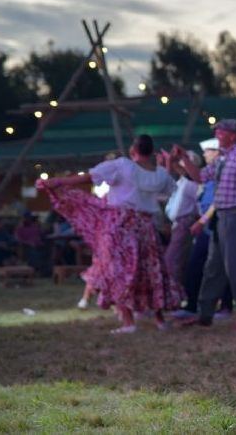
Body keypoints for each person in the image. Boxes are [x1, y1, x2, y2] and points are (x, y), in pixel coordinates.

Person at [38, 134, 181, 333]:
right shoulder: (159, 175)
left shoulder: (123, 165)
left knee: (116, 270)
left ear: (133, 151)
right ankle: (159, 321)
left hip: (121, 224)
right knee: (150, 270)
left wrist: (59, 181)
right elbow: (167, 187)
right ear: (151, 152)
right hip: (146, 227)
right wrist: (167, 163)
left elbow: (88, 177)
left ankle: (129, 322)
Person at [175, 119, 236, 329]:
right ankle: (205, 313)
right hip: (223, 216)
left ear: (233, 135)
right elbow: (200, 177)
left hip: (235, 215)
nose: (218, 136)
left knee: (234, 266)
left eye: (221, 133)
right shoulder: (222, 159)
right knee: (213, 266)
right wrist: (184, 159)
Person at [161, 150, 202, 288]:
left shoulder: (191, 184)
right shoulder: (183, 181)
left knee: (173, 260)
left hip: (185, 222)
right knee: (176, 259)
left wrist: (169, 162)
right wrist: (168, 162)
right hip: (178, 223)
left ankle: (176, 293)